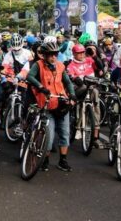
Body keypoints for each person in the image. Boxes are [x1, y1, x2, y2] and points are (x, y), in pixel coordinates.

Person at [26, 40, 76, 172]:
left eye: (55, 54)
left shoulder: (60, 66)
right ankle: (45, 160)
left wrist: (72, 94)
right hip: (47, 104)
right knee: (49, 136)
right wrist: (41, 87)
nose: (54, 57)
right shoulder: (38, 65)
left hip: (61, 103)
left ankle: (63, 160)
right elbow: (30, 77)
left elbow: (68, 82)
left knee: (65, 133)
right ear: (45, 55)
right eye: (51, 54)